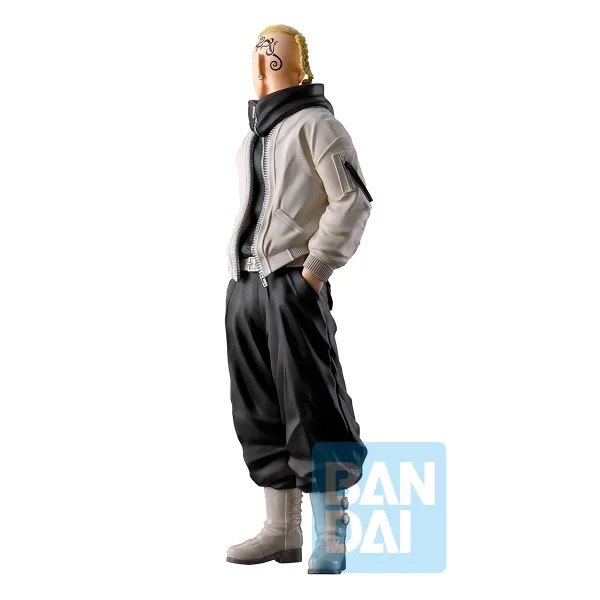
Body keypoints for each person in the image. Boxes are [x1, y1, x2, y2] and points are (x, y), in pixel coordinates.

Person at [224, 24, 373, 574]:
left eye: (275, 54)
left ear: (295, 64)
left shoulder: (318, 126)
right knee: (258, 406)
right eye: (260, 54)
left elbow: (352, 201)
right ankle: (281, 529)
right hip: (247, 284)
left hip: (292, 283)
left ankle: (330, 531)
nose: (265, 63)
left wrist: (314, 270)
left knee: (313, 404)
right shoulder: (254, 136)